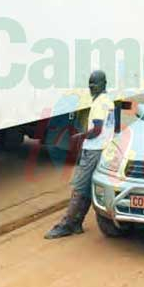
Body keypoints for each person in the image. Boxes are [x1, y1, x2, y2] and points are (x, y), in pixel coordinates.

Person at [45, 70, 115, 239]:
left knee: (79, 187)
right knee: (88, 188)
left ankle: (66, 224)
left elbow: (97, 130)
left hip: (93, 149)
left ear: (103, 84)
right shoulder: (109, 101)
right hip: (104, 148)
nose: (92, 88)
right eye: (90, 85)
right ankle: (77, 222)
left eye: (95, 85)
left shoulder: (99, 103)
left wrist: (80, 136)